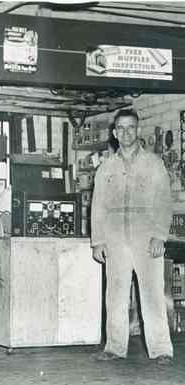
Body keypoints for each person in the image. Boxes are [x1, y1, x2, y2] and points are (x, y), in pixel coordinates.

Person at [91, 108, 173, 365]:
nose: (125, 132)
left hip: (146, 238)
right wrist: (98, 241)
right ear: (114, 133)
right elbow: (98, 206)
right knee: (115, 294)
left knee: (153, 294)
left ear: (137, 130)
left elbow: (164, 202)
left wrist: (160, 235)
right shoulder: (106, 167)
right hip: (114, 239)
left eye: (130, 127)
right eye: (121, 128)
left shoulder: (153, 163)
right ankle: (115, 347)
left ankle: (161, 349)